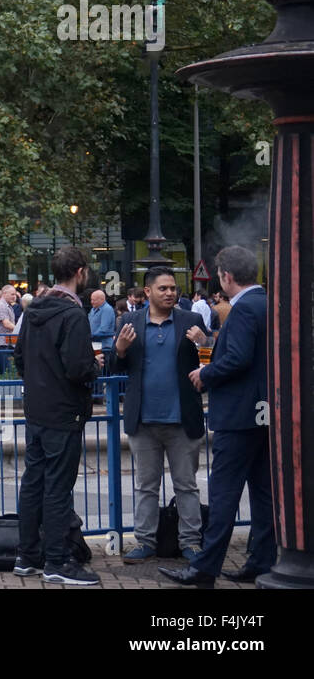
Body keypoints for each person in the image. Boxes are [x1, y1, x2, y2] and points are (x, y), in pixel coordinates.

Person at [160, 246, 275, 587]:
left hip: (237, 416)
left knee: (224, 495)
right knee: (264, 493)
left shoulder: (242, 310)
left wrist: (205, 374)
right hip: (262, 411)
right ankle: (262, 561)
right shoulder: (267, 303)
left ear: (225, 277)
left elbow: (237, 358)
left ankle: (204, 569)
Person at [12, 247, 103, 586]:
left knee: (34, 481)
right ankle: (57, 560)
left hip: (37, 408)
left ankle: (27, 556)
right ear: (80, 272)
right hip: (64, 411)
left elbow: (19, 357)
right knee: (57, 487)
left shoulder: (35, 309)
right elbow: (79, 368)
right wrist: (96, 366)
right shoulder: (73, 315)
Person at [110, 267, 207, 564]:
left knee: (187, 485)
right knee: (145, 486)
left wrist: (205, 343)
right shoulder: (129, 322)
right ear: (147, 292)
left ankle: (191, 542)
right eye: (163, 288)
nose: (169, 293)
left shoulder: (192, 320)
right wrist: (120, 348)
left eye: (173, 288)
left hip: (182, 419)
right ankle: (145, 541)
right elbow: (115, 368)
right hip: (144, 420)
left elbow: (211, 363)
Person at [88, 289, 117, 357]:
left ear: (102, 299)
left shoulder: (107, 309)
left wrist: (88, 336)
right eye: (91, 300)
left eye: (94, 300)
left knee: (102, 366)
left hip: (104, 348)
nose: (92, 302)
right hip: (95, 346)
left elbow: (103, 330)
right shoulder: (93, 309)